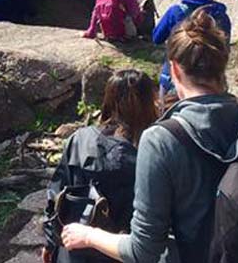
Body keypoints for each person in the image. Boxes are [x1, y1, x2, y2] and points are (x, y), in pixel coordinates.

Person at [60, 12, 238, 262]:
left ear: (174, 69)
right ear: (222, 65)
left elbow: (143, 251)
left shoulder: (160, 140)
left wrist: (88, 235)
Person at [42, 70, 159, 263]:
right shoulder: (150, 154)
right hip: (122, 251)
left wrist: (50, 243)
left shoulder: (80, 139)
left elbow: (55, 196)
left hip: (74, 247)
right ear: (149, 104)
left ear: (108, 99)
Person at [152, 0, 232, 102]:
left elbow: (157, 37)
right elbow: (224, 48)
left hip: (176, 80)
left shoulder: (176, 12)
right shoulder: (221, 17)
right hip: (212, 81)